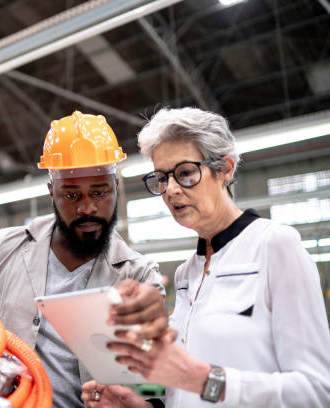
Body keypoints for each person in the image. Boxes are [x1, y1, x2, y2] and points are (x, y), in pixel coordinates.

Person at [82, 107, 330, 407]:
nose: (171, 190)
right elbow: (186, 392)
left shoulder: (274, 245)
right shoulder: (187, 273)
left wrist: (203, 378)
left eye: (185, 173)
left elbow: (316, 390)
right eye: (161, 178)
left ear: (225, 169)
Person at [0, 110, 169, 408]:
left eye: (99, 192)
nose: (87, 207)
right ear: (51, 192)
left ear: (116, 188)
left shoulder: (140, 275)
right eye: (71, 195)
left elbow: (161, 376)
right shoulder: (6, 248)